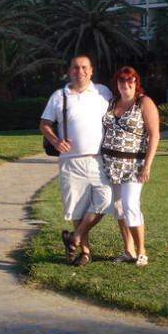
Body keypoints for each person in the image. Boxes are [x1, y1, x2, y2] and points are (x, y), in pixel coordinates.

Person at [39, 55, 115, 267]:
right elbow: (44, 124)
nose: (79, 71)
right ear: (69, 70)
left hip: (99, 159)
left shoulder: (103, 92)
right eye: (75, 67)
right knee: (78, 209)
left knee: (105, 200)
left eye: (84, 67)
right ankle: (85, 252)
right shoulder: (59, 95)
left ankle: (75, 237)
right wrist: (55, 141)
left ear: (91, 70)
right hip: (70, 162)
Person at [100, 66, 160, 267]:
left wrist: (147, 166)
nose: (125, 84)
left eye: (130, 80)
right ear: (116, 83)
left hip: (133, 165)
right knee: (118, 208)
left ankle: (142, 251)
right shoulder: (111, 102)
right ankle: (129, 250)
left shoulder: (144, 102)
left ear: (136, 82)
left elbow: (154, 135)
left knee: (130, 205)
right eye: (121, 80)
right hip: (110, 164)